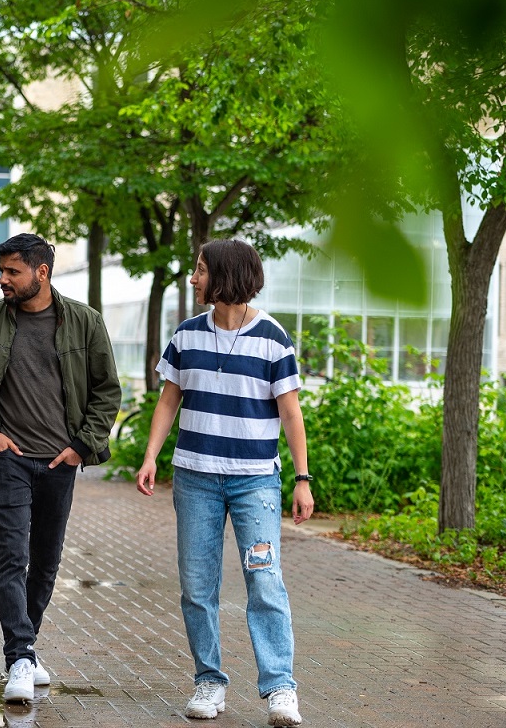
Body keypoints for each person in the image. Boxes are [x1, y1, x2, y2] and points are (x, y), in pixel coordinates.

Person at [136, 239, 312, 727]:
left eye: (199, 270)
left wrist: (302, 479)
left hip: (255, 483)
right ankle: (209, 680)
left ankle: (280, 688)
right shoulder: (186, 335)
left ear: (225, 275)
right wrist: (152, 456)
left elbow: (291, 414)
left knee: (265, 582)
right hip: (195, 479)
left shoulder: (273, 338)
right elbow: (169, 401)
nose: (193, 278)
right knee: (197, 586)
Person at [0, 233, 123, 704]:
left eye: (12, 271)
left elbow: (107, 391)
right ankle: (20, 657)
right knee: (12, 557)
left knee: (46, 561)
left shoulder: (84, 323)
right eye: (1, 270)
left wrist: (82, 447)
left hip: (60, 462)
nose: (2, 279)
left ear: (40, 273)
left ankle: (25, 648)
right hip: (8, 460)